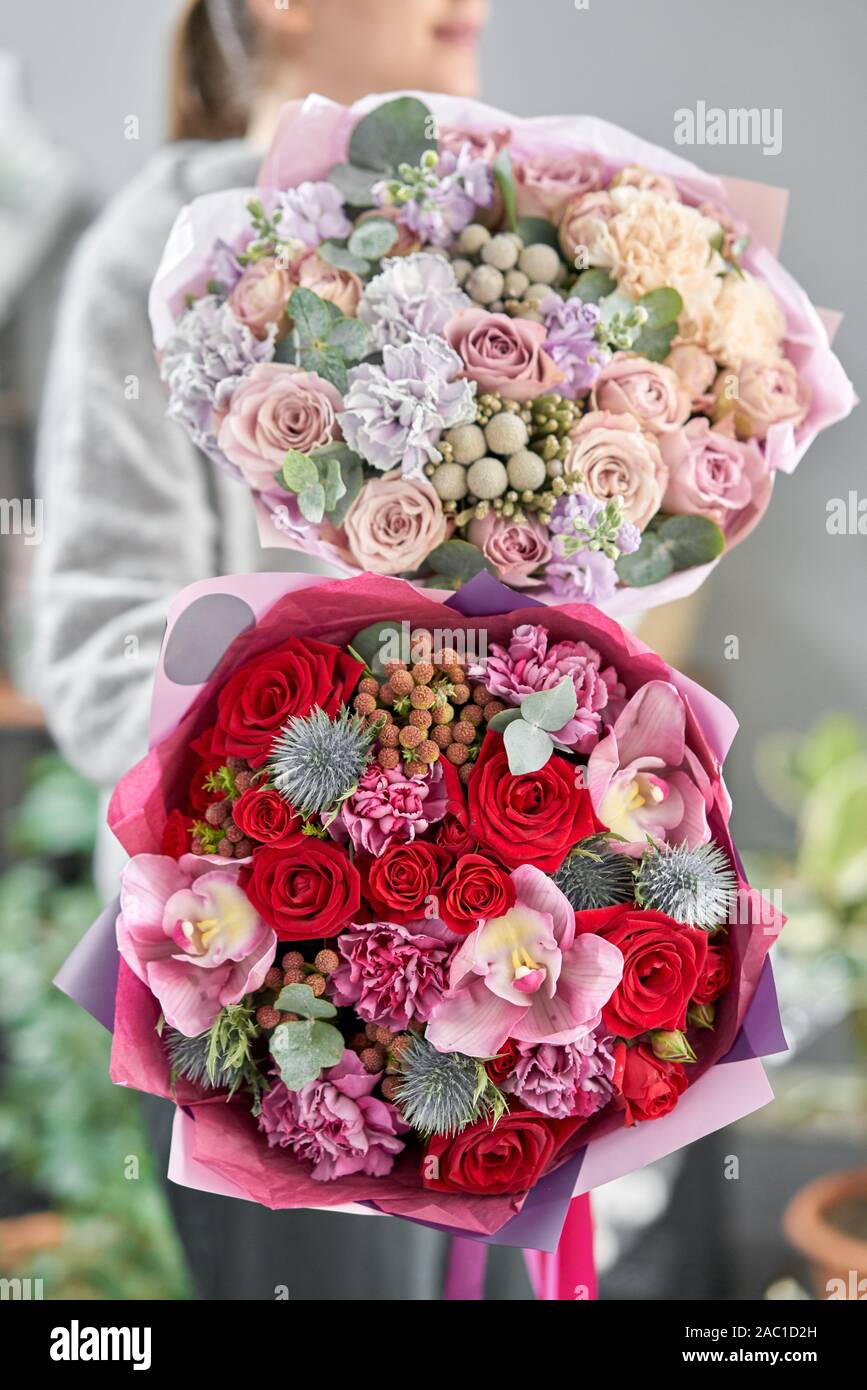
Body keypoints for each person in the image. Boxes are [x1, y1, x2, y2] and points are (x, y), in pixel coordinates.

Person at [33, 0, 531, 1300]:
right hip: (255, 979)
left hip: (505, 953)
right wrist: (363, 723)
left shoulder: (507, 256)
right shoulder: (147, 258)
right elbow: (93, 653)